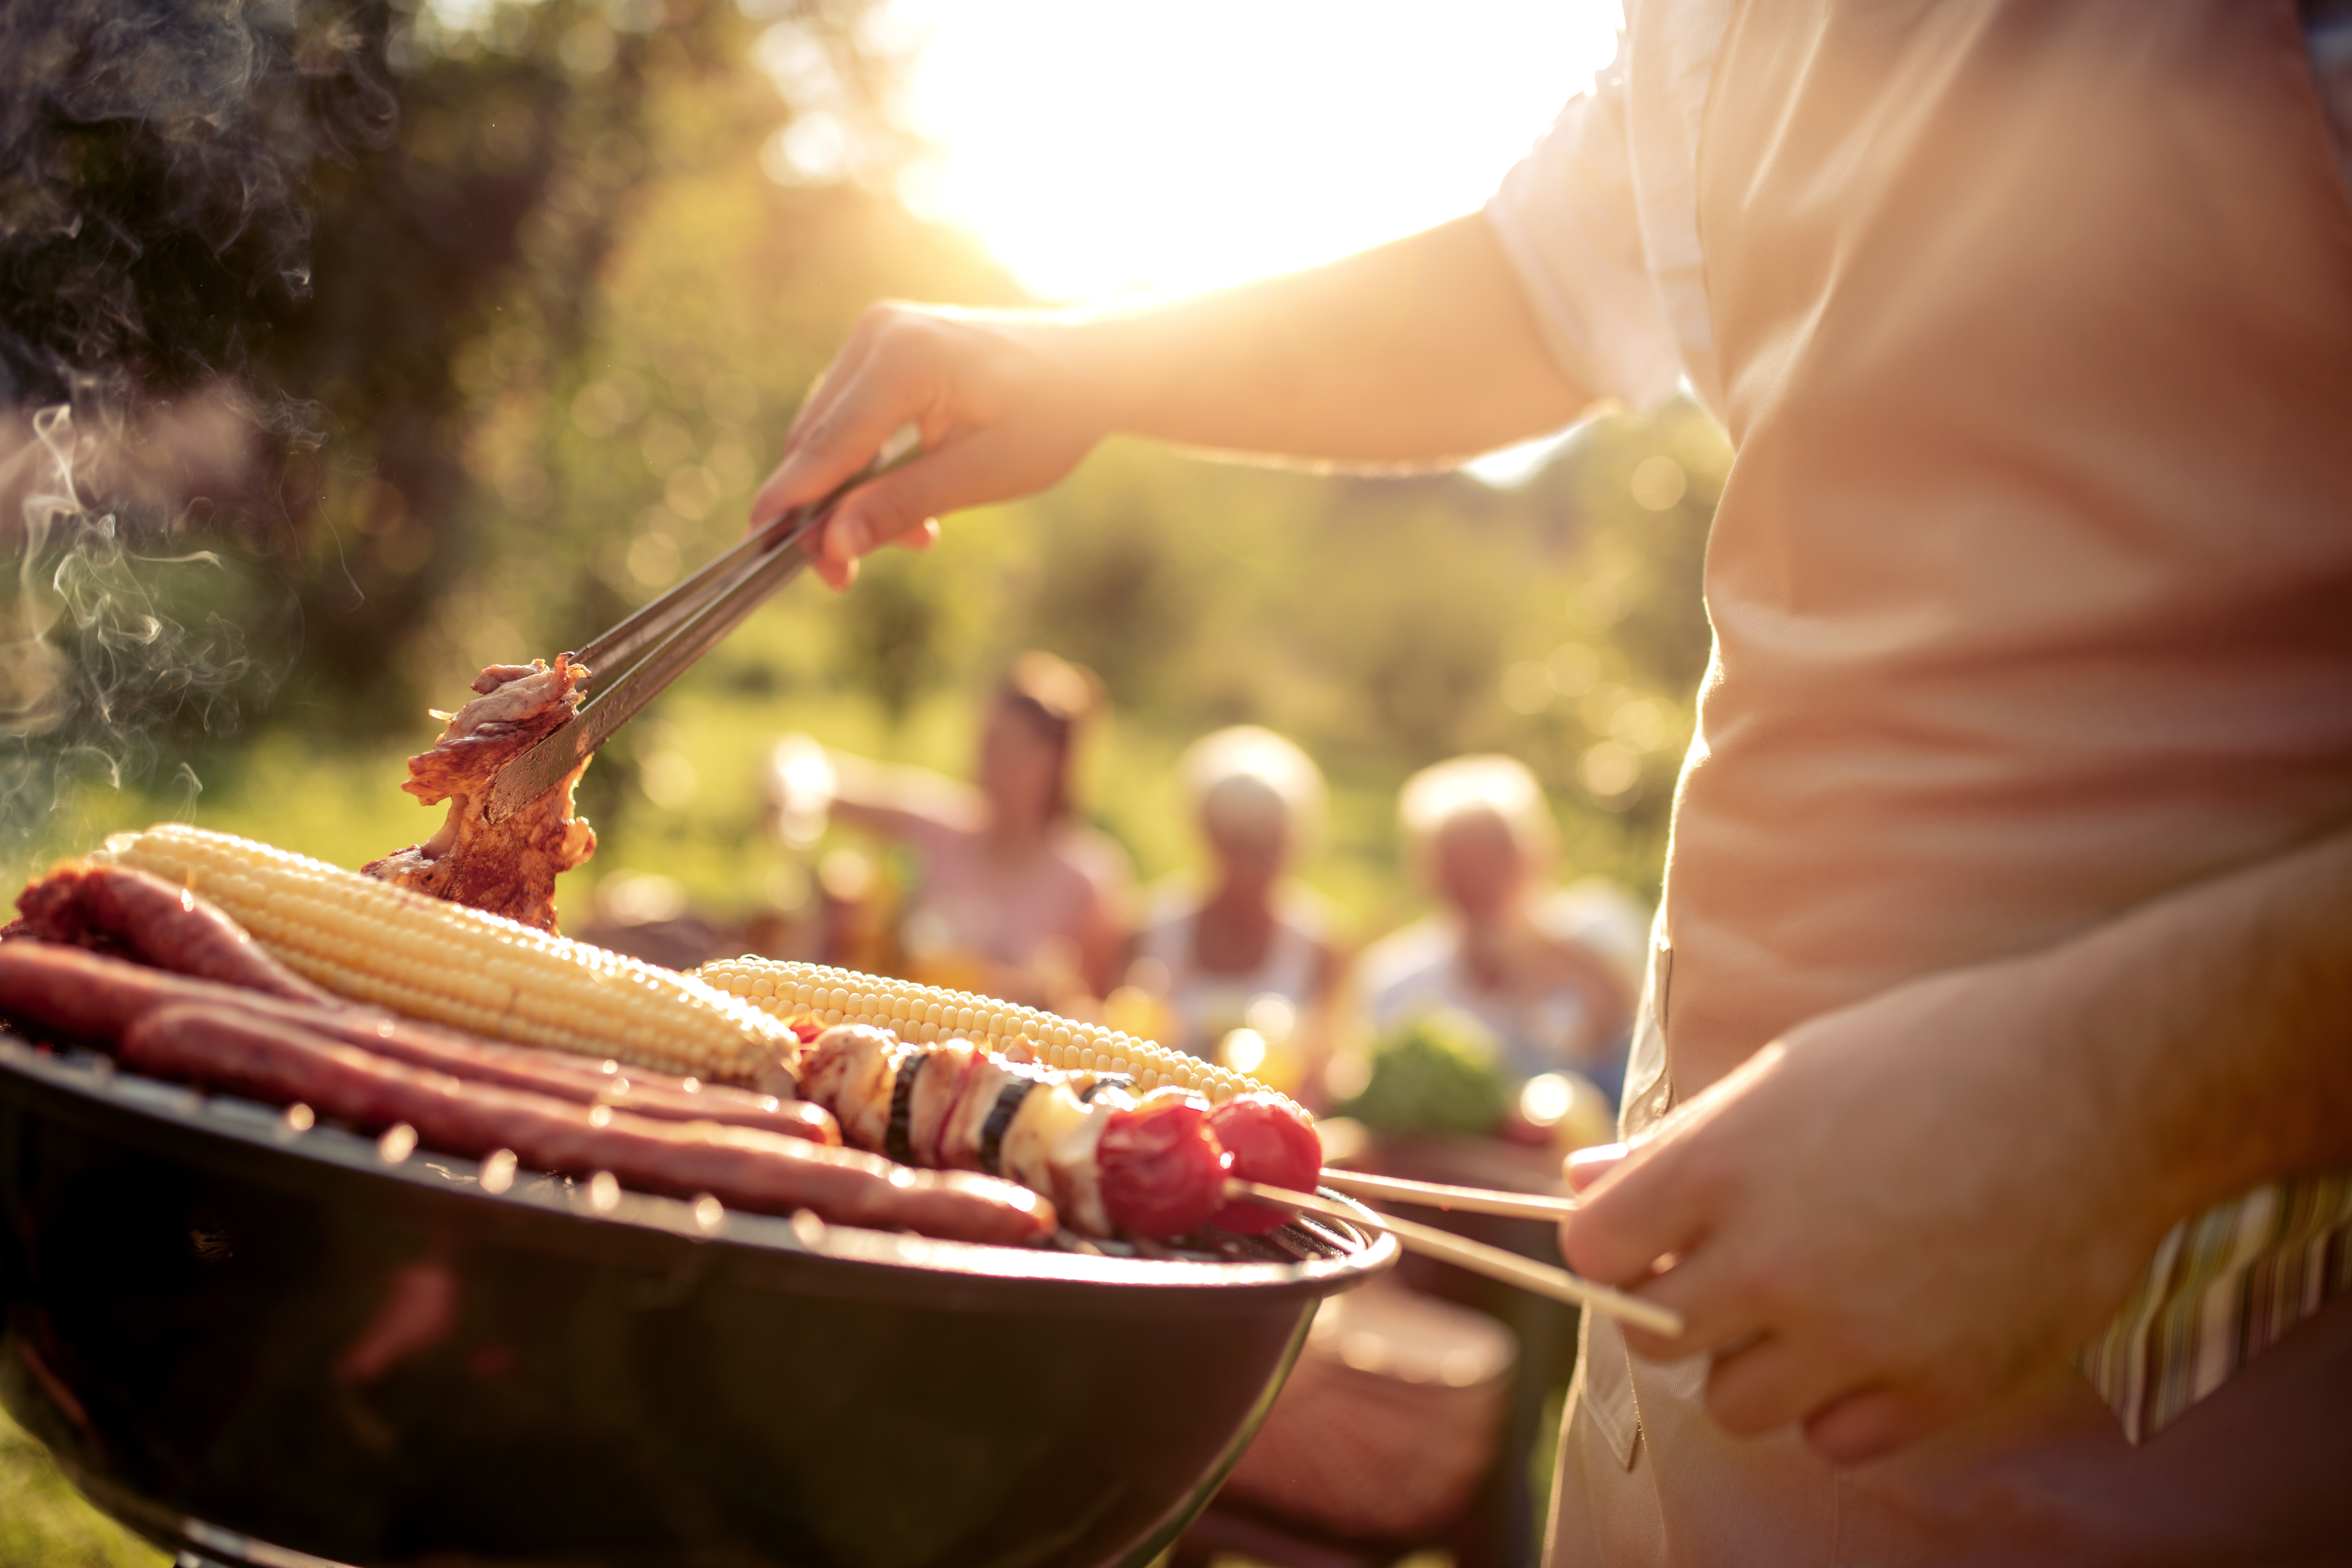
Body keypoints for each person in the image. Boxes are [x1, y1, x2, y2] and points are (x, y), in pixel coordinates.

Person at [746, 2, 2352, 1559]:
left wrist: (2116, 1097)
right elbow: (1539, 285)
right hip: (1683, 1402)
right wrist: (1088, 361)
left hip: (2175, 1387)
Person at [767, 651, 1130, 1007]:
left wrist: (1054, 993)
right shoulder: (940, 824)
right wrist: (792, 799)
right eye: (987, 742)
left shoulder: (1090, 880)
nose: (988, 762)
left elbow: (1103, 1013)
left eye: (1010, 749)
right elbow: (807, 768)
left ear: (1055, 765)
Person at [1359, 755, 1640, 1108]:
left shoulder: (1600, 927)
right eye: (1458, 861)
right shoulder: (1397, 978)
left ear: (1535, 856)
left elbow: (1636, 1037)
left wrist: (1546, 951)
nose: (1477, 878)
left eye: (1494, 855)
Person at [1131, 725, 1341, 1085]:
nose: (1252, 863)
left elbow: (1329, 1070)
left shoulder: (1322, 948)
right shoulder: (1148, 927)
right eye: (1238, 842)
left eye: (1268, 843)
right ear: (1207, 836)